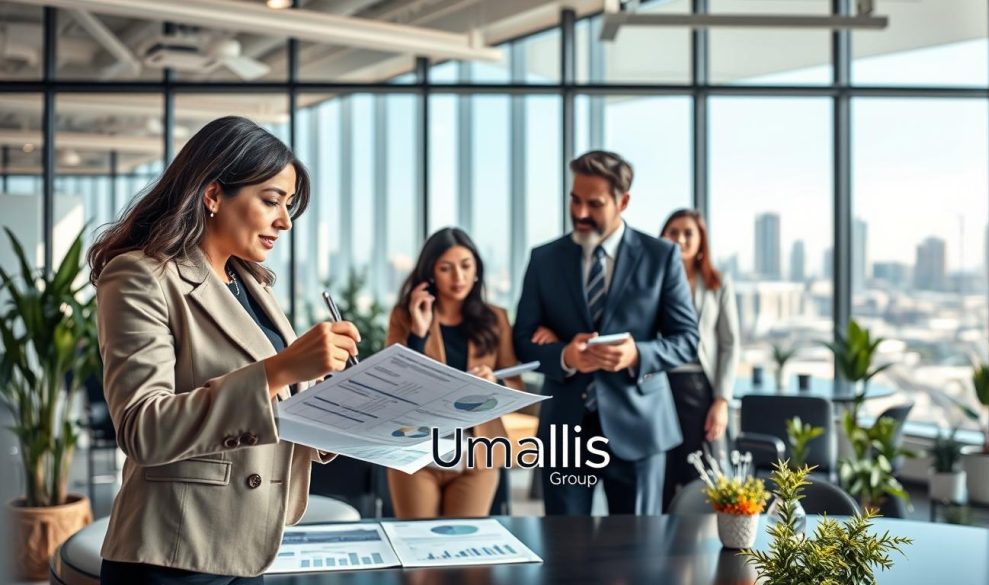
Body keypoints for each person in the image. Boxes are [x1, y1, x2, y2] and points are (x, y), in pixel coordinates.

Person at [88, 116, 361, 584]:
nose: (285, 221)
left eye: (290, 205)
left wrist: (343, 401)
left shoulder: (252, 284)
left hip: (246, 544)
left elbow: (273, 407)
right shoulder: (140, 276)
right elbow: (143, 429)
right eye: (272, 200)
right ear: (213, 195)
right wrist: (280, 369)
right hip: (170, 554)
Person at [513, 150, 700, 516]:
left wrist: (638, 355)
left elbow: (687, 340)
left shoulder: (660, 256)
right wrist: (566, 355)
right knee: (564, 551)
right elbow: (521, 339)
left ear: (623, 201)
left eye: (594, 204)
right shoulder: (544, 259)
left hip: (639, 425)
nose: (580, 213)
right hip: (565, 428)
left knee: (638, 554)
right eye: (575, 199)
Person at [385, 227, 524, 518]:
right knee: (417, 547)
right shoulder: (404, 315)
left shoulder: (495, 317)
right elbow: (395, 382)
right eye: (446, 268)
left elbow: (516, 382)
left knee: (464, 546)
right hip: (417, 450)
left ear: (477, 270)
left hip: (476, 454)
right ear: (431, 273)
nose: (458, 277)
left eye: (465, 266)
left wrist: (494, 380)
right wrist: (418, 333)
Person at [658, 209, 740, 510]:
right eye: (673, 231)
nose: (680, 238)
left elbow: (730, 345)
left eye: (688, 232)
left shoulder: (718, 283)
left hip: (700, 389)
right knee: (662, 480)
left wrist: (721, 400)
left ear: (701, 240)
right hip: (662, 388)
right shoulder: (654, 281)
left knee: (705, 479)